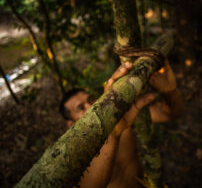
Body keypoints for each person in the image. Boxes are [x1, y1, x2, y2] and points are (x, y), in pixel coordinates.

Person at [60, 60, 183, 188]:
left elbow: (168, 114)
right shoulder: (74, 155)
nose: (90, 106)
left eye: (91, 100)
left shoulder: (120, 120)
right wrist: (111, 135)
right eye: (81, 108)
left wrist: (170, 92)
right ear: (71, 124)